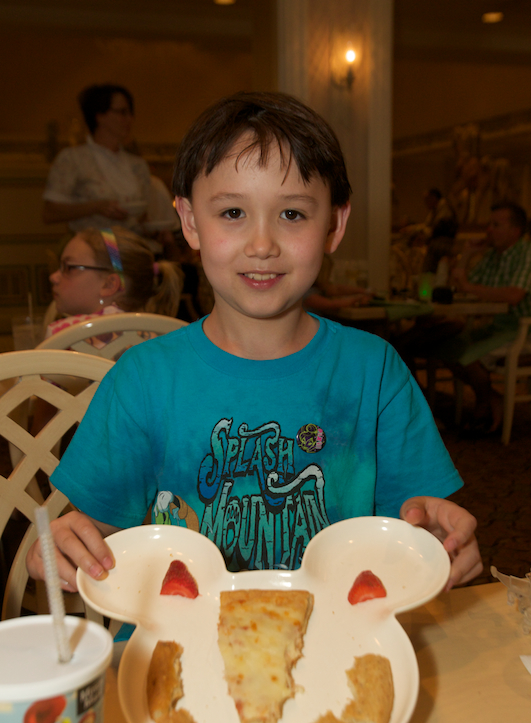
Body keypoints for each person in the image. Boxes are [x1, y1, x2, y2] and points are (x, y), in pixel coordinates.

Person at [26, 91, 481, 595]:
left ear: (334, 224)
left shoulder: (374, 373)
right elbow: (98, 534)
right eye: (232, 212)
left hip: (337, 635)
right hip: (177, 637)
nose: (262, 245)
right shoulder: (141, 379)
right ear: (190, 221)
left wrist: (436, 541)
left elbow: (412, 527)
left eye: (292, 215)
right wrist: (68, 543)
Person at [42, 83, 179, 253]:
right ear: (99, 116)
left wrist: (155, 231)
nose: (129, 119)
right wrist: (96, 207)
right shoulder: (73, 159)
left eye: (130, 113)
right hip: (93, 249)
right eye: (122, 112)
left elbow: (140, 219)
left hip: (131, 247)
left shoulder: (137, 165)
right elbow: (50, 213)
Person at [439, 201, 531, 433]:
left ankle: (483, 406)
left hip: (522, 332)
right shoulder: (492, 256)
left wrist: (469, 287)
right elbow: (459, 287)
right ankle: (491, 398)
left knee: (470, 356)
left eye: (496, 225)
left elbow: (514, 295)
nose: (489, 230)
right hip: (494, 328)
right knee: (445, 346)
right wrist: (468, 254)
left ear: (515, 231)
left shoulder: (527, 254)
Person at [46, 226, 183, 339]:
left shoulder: (63, 336)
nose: (54, 277)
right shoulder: (160, 337)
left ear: (109, 285)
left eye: (69, 267)